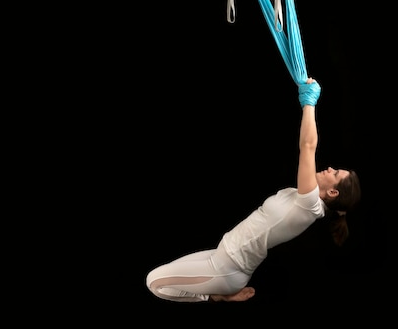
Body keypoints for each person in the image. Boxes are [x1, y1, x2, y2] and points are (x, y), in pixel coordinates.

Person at [145, 78, 361, 302]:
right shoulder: (303, 198)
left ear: (333, 193)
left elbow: (307, 146)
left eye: (335, 174)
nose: (330, 168)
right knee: (163, 277)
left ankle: (215, 297)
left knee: (154, 282)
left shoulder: (310, 204)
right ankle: (219, 294)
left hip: (227, 268)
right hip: (222, 256)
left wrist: (309, 102)